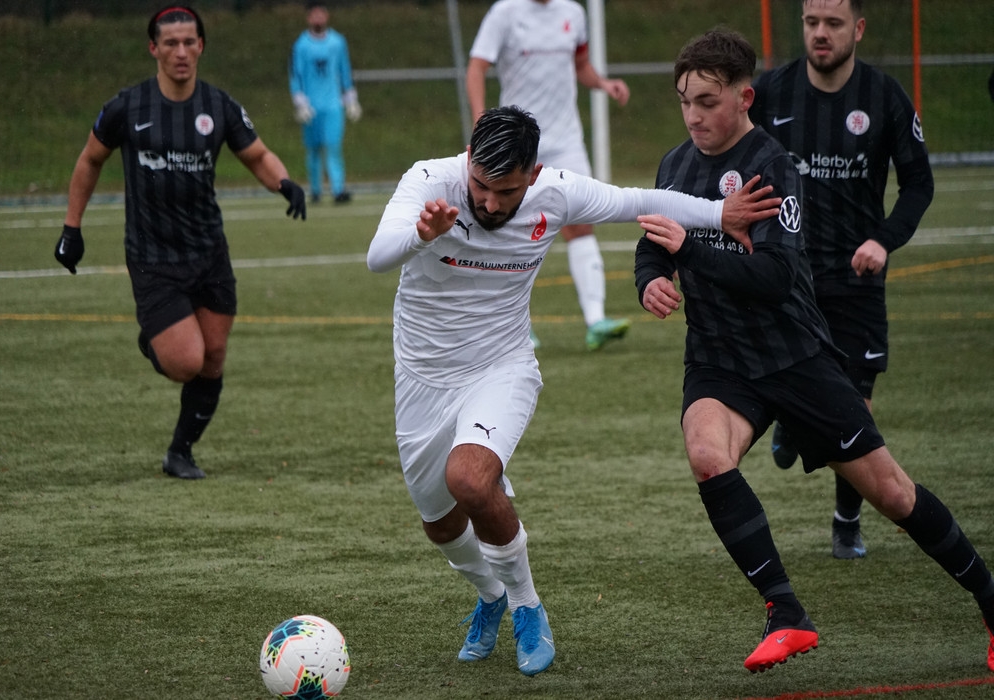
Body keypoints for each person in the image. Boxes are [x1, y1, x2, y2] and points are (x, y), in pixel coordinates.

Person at [367, 105, 780, 676]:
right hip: (422, 377)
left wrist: (717, 213)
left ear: (533, 176)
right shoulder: (430, 181)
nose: (490, 203)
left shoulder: (556, 193)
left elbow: (638, 201)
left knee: (470, 479)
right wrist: (420, 234)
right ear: (467, 160)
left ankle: (526, 605)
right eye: (480, 186)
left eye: (506, 191)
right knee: (439, 522)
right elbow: (377, 257)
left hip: (501, 367)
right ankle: (490, 595)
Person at [634, 28, 994, 673]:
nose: (693, 116)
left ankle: (991, 602)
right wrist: (651, 279)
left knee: (893, 494)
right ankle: (787, 613)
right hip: (719, 358)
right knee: (707, 456)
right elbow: (653, 243)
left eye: (707, 101)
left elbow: (774, 279)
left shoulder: (772, 167)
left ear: (743, 98)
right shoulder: (675, 165)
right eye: (685, 101)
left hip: (794, 356)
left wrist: (689, 251)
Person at [54, 5, 306, 480]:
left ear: (201, 46)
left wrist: (284, 183)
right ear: (154, 48)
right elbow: (90, 160)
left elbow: (256, 154)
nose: (181, 52)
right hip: (153, 257)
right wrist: (72, 228)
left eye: (189, 42)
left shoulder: (219, 106)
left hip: (209, 252)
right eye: (170, 43)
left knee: (213, 357)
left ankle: (180, 452)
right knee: (186, 361)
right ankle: (155, 341)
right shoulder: (127, 107)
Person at [750, 0, 934, 560]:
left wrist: (883, 240)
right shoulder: (771, 92)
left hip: (857, 278)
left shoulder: (884, 97)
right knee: (785, 379)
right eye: (812, 23)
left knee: (857, 408)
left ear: (858, 28)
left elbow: (919, 184)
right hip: (788, 275)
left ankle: (846, 519)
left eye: (833, 23)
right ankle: (791, 419)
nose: (820, 33)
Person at [466, 0, 633, 351]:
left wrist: (603, 84)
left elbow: (581, 66)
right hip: (519, 143)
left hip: (566, 141)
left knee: (581, 224)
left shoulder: (573, 13)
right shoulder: (505, 13)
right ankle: (512, 325)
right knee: (508, 228)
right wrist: (482, 121)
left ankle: (596, 320)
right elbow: (476, 68)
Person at [289, 0, 360, 205]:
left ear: (326, 16)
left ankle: (338, 189)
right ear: (308, 18)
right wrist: (300, 101)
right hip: (311, 106)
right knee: (313, 149)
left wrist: (351, 98)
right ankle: (315, 190)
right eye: (314, 14)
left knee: (333, 147)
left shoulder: (337, 42)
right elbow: (296, 75)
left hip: (333, 105)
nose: (318, 18)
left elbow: (344, 70)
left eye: (321, 14)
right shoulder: (301, 45)